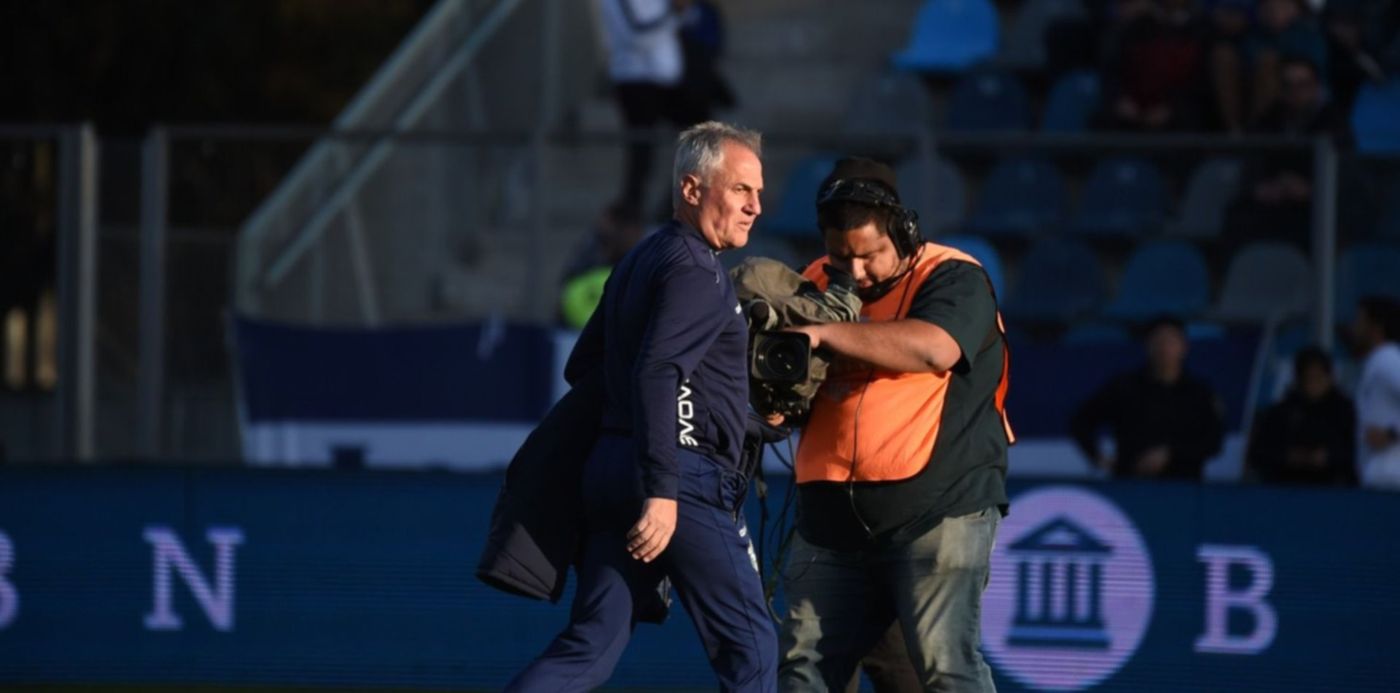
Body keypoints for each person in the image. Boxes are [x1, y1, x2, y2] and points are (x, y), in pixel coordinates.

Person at [506, 121, 774, 692]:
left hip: (614, 469)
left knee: (591, 645)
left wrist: (743, 419)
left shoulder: (641, 257)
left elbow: (586, 366)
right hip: (678, 481)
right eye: (740, 190)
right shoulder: (698, 269)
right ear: (692, 188)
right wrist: (664, 489)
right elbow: (658, 370)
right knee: (751, 646)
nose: (756, 206)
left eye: (758, 192)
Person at [776, 157, 1014, 692]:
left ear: (903, 231)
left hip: (937, 511)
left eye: (869, 255)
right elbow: (787, 401)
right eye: (842, 256)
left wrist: (824, 336)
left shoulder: (954, 274)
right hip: (830, 523)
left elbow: (934, 347)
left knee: (945, 669)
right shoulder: (815, 283)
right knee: (802, 672)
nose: (855, 272)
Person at [1070, 317, 1225, 480]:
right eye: (1158, 341)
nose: (1164, 348)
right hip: (1132, 483)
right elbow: (1081, 420)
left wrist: (1172, 453)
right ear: (1147, 345)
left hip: (1184, 486)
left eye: (1170, 341)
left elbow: (1213, 442)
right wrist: (1097, 456)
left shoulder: (1200, 393)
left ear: (1184, 347)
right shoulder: (1125, 387)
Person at [599, 0, 710, 215]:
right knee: (642, 148)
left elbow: (691, 19)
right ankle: (632, 211)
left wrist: (683, 10)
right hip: (635, 80)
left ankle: (675, 201)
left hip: (667, 80)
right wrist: (674, 13)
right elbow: (637, 35)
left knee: (696, 134)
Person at [1246, 346, 1357, 485]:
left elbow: (1354, 450)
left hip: (1333, 488)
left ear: (1330, 377)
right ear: (1300, 380)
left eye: (1319, 377)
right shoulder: (1283, 411)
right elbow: (1260, 452)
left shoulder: (1344, 410)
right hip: (1287, 487)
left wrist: (1328, 457)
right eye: (1309, 378)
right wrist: (1290, 457)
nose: (1314, 384)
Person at [1351, 296, 1400, 490]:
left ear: (1375, 327)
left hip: (1391, 477)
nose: (1355, 328)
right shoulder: (1378, 361)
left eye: (1360, 321)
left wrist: (1392, 433)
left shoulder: (1388, 359)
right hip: (1380, 477)